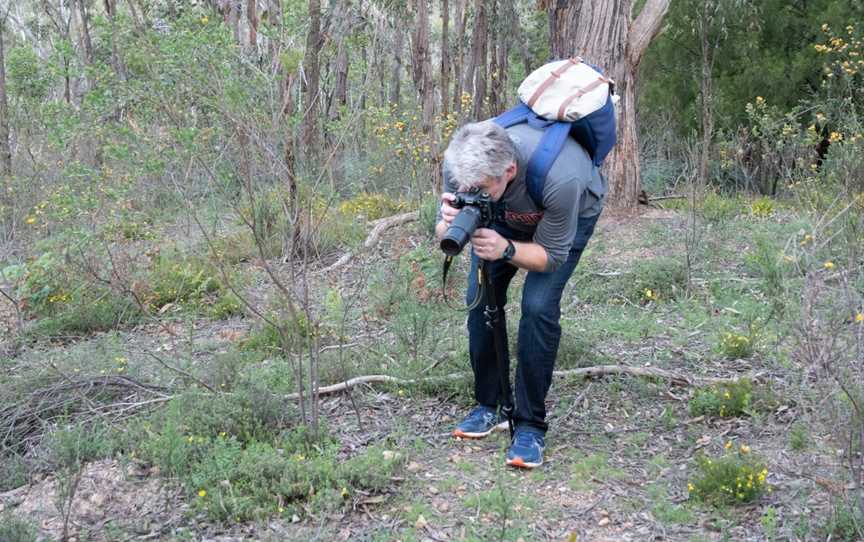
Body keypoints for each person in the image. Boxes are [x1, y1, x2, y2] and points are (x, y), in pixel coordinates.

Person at [435, 120, 606, 469]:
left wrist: (506, 249)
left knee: (538, 307)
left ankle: (530, 425)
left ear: (509, 170)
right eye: (466, 186)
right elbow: (442, 232)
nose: (469, 189)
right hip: (503, 215)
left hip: (563, 219)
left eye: (480, 187)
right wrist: (448, 222)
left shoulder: (562, 177)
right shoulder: (463, 166)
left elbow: (551, 256)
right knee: (480, 298)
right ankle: (490, 403)